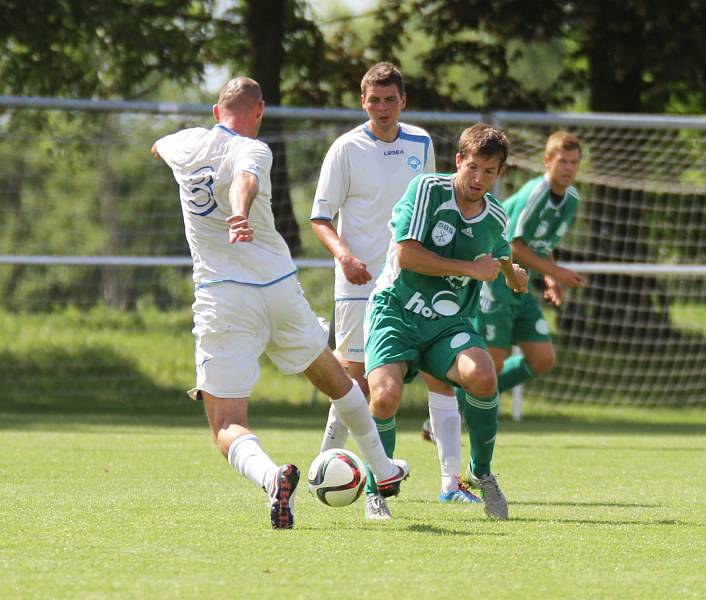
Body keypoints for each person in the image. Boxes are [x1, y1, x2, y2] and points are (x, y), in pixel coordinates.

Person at [150, 77, 408, 530]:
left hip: (223, 298)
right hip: (278, 289)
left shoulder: (184, 143)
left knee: (227, 425)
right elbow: (245, 178)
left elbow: (165, 150)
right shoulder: (256, 148)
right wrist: (238, 212)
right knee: (337, 380)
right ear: (260, 111)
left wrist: (231, 208)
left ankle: (273, 478)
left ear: (216, 112)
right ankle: (383, 471)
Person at [363, 124, 528, 520]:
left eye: (489, 172)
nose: (478, 179)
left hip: (448, 324)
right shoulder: (428, 191)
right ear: (458, 161)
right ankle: (376, 489)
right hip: (397, 311)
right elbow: (408, 255)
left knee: (484, 375)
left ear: (500, 173)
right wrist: (473, 270)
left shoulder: (495, 216)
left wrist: (512, 275)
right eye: (472, 167)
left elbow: (501, 253)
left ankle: (481, 473)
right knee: (384, 397)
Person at [310, 62, 435, 455]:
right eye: (375, 100)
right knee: (355, 383)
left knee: (433, 379)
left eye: (390, 100)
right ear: (363, 102)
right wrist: (346, 257)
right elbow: (320, 218)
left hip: (406, 283)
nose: (383, 108)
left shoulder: (422, 144)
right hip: (358, 284)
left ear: (403, 101)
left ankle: (452, 481)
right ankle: (327, 463)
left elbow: (427, 210)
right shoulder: (346, 148)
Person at [475, 130, 587, 394]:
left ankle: (467, 404)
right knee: (494, 361)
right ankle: (448, 414)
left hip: (521, 287)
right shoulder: (536, 193)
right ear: (548, 161)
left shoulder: (571, 198)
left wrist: (549, 277)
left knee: (542, 358)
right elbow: (514, 247)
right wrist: (556, 272)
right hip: (497, 282)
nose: (568, 168)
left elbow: (541, 243)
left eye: (574, 162)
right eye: (563, 161)